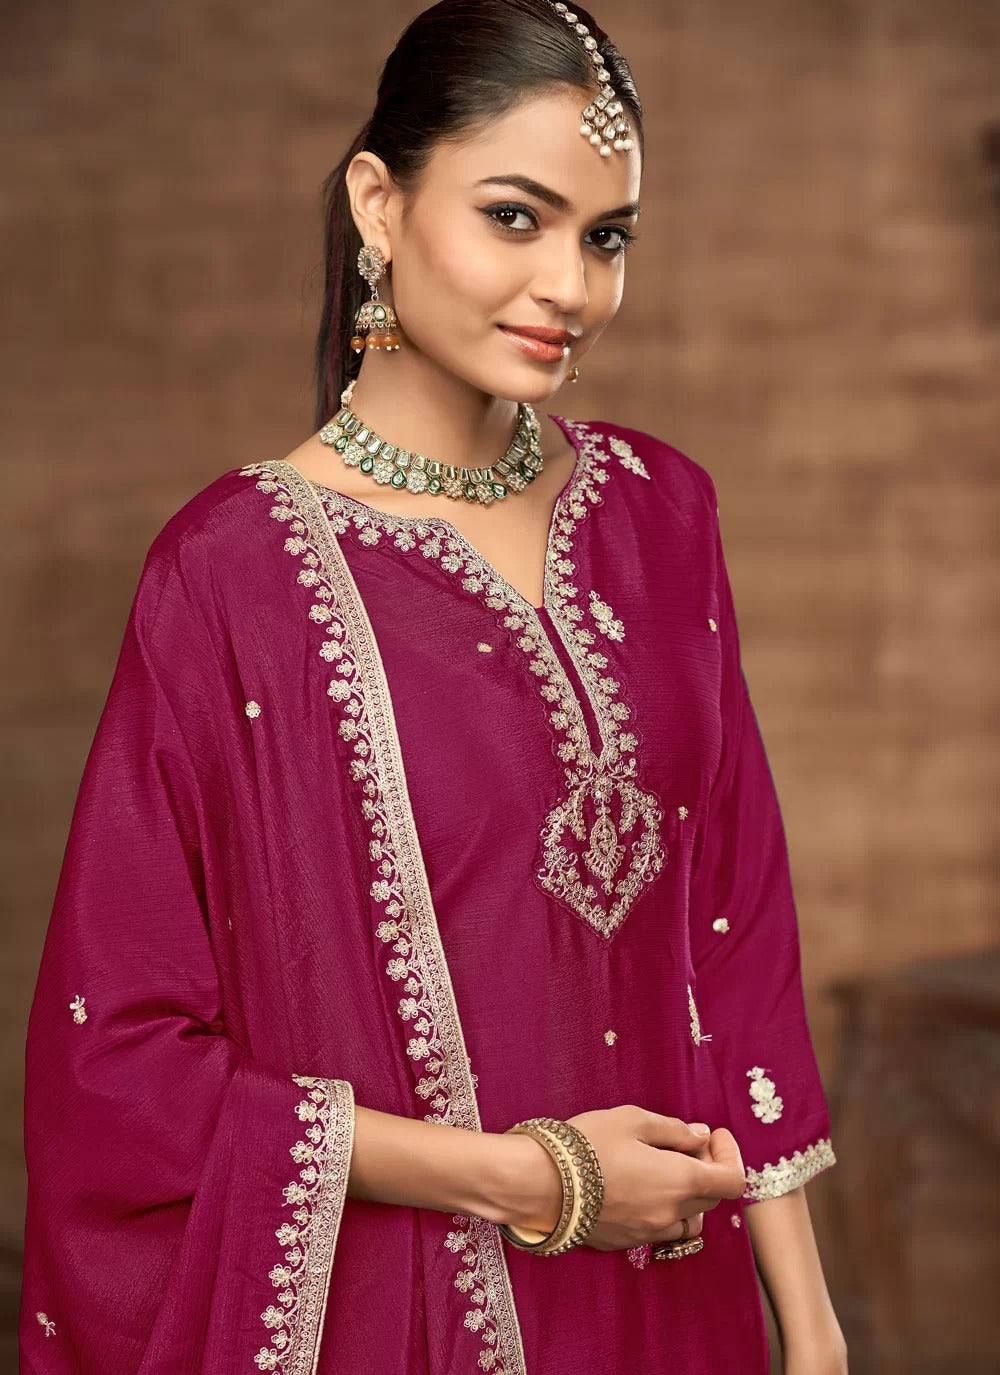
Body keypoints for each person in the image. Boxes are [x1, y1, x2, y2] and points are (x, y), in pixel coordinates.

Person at [19, 2, 847, 1372]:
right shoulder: (232, 578)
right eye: (515, 218)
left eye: (607, 236)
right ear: (378, 205)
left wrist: (810, 1329)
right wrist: (544, 1182)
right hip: (399, 1320)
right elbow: (127, 1069)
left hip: (678, 1313)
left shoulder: (663, 514)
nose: (570, 286)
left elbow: (734, 936)